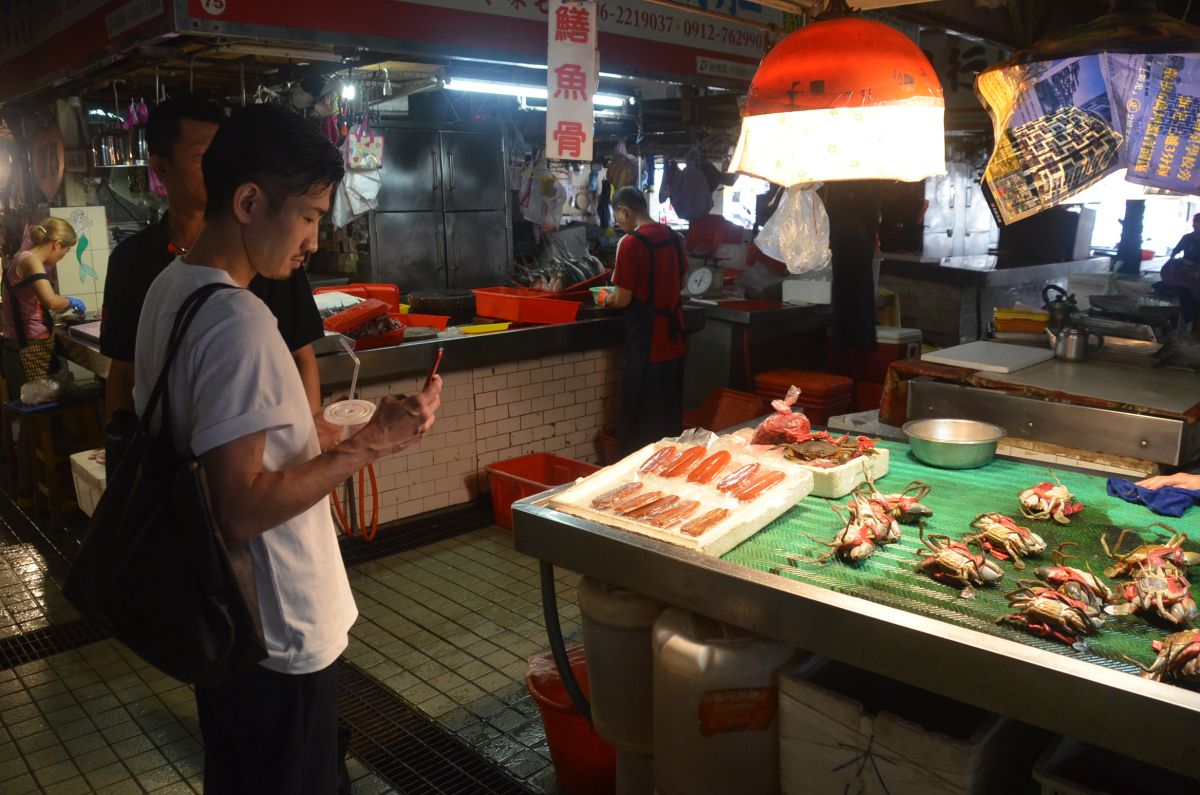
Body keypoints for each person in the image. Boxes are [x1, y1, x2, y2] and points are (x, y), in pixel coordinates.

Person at [132, 103, 441, 793]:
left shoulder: (170, 290)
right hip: (278, 629)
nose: (313, 240)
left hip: (225, 620)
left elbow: (226, 447)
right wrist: (369, 444)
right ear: (248, 201)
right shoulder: (240, 321)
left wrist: (323, 433)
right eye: (306, 216)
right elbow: (238, 505)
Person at [100, 93, 328, 434]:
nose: (221, 167)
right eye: (204, 157)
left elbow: (301, 356)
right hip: (191, 471)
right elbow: (123, 371)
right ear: (161, 166)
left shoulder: (270, 252)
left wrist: (310, 441)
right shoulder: (139, 265)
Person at [601, 186, 687, 456]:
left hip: (647, 343)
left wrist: (605, 298)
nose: (619, 223)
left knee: (641, 417)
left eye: (618, 216)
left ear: (624, 210)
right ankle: (671, 467)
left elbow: (623, 298)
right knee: (669, 411)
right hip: (674, 338)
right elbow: (681, 280)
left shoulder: (630, 243)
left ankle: (638, 480)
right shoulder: (674, 238)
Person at [1, 217, 85, 391]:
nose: (62, 257)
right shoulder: (31, 261)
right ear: (57, 244)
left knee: (43, 409)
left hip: (26, 342)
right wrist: (70, 301)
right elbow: (51, 301)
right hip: (28, 346)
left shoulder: (23, 257)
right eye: (66, 251)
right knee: (38, 409)